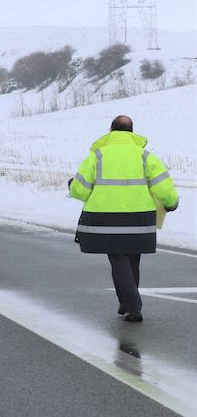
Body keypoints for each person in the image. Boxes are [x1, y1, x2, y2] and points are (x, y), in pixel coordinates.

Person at [70, 115, 179, 322]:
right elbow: (163, 185)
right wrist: (171, 203)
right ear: (132, 131)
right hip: (140, 217)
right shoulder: (145, 156)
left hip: (106, 217)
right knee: (132, 259)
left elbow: (80, 191)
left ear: (111, 130)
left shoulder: (97, 155)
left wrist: (71, 186)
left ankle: (133, 305)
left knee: (118, 258)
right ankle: (127, 303)